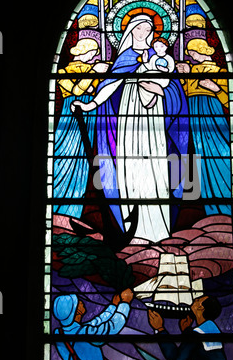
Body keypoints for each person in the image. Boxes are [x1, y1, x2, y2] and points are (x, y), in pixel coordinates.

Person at [72, 14, 189, 242]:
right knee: (130, 165)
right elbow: (109, 86)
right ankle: (134, 231)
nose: (144, 33)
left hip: (154, 118)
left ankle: (159, 230)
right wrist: (89, 105)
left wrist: (160, 91)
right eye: (139, 28)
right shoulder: (125, 58)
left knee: (156, 167)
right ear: (130, 31)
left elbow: (174, 91)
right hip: (129, 116)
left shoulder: (161, 58)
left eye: (148, 29)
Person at [54, 38, 109, 219]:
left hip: (88, 117)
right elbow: (77, 91)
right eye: (91, 52)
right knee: (64, 159)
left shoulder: (92, 70)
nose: (93, 56)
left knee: (83, 166)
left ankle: (71, 215)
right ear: (81, 52)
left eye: (94, 53)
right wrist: (93, 72)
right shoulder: (63, 72)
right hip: (70, 119)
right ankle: (57, 211)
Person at [177, 38, 231, 216]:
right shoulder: (192, 70)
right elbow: (185, 94)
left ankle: (226, 205)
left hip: (211, 115)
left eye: (193, 52)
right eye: (190, 54)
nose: (191, 56)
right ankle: (211, 210)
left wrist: (216, 89)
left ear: (203, 51)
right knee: (199, 160)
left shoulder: (219, 71)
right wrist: (184, 77)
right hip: (192, 116)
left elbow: (229, 102)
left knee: (216, 155)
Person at [53, 289, 133, 360]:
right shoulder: (84, 332)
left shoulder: (59, 333)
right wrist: (125, 304)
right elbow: (112, 327)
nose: (81, 302)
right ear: (76, 312)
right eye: (78, 302)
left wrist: (113, 306)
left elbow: (95, 322)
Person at [148, 295, 228, 360]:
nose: (194, 300)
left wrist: (160, 329)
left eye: (198, 300)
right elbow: (198, 350)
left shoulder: (197, 334)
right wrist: (186, 331)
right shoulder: (212, 330)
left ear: (201, 308)